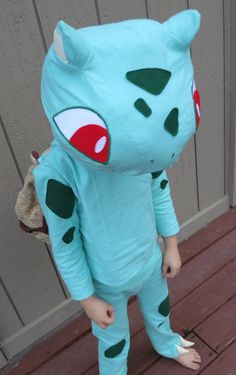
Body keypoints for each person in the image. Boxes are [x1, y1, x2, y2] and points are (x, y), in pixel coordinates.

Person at [33, 9, 202, 374]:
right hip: (105, 280)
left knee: (160, 312)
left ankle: (166, 342)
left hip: (149, 259)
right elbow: (66, 240)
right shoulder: (59, 170)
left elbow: (158, 185)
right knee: (113, 341)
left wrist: (170, 243)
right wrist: (86, 299)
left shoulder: (147, 144)